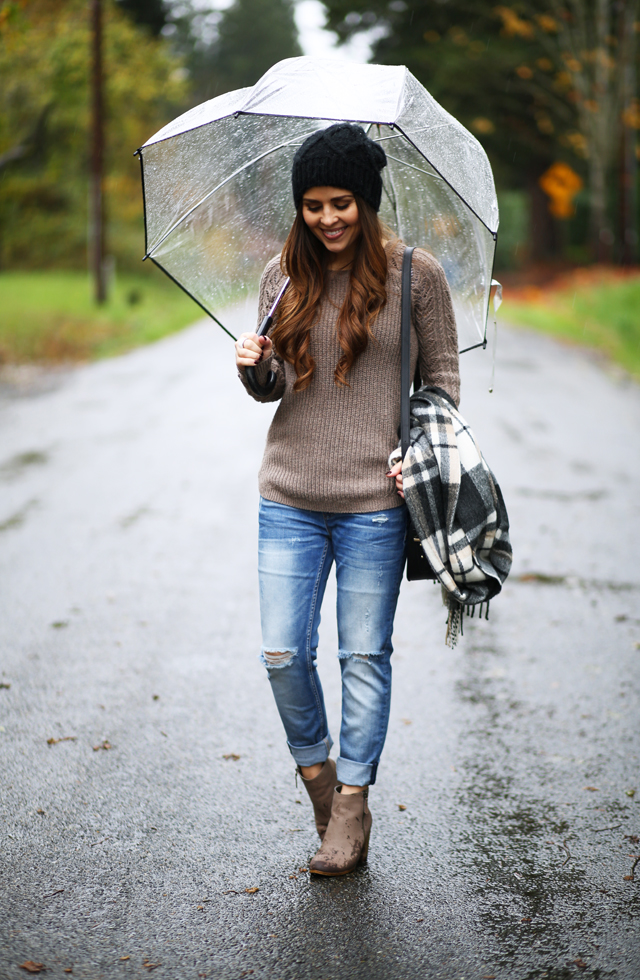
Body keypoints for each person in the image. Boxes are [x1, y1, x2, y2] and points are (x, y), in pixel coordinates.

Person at [235, 123, 459, 876]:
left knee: (363, 654)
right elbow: (276, 390)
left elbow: (444, 385)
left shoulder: (415, 276)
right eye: (311, 205)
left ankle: (354, 803)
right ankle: (319, 780)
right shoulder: (281, 277)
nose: (326, 219)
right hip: (289, 494)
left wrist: (420, 458)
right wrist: (255, 368)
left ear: (366, 200)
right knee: (280, 655)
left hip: (374, 501)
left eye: (340, 203)